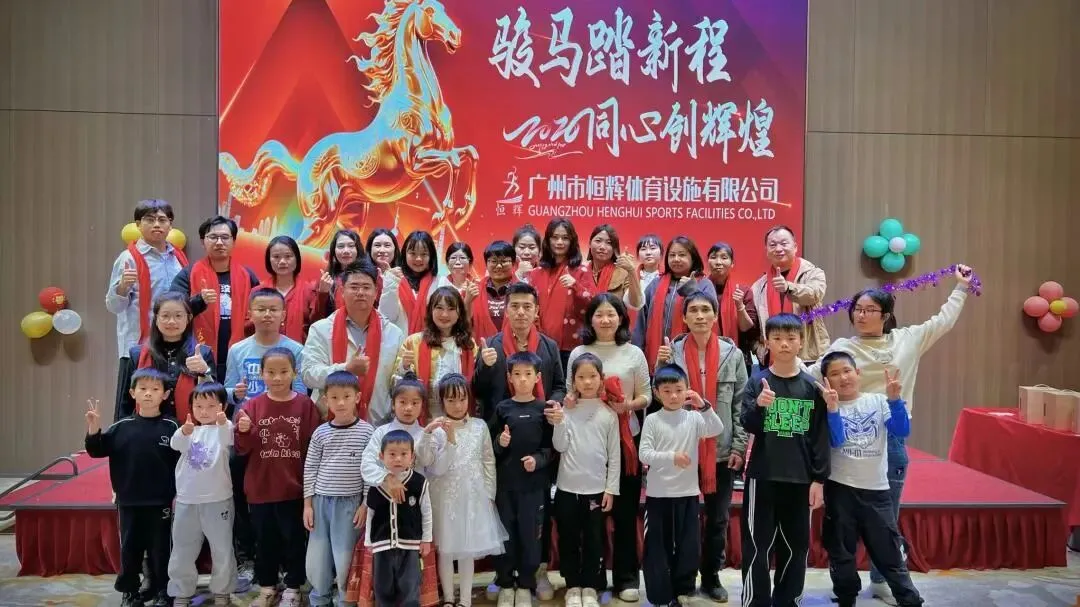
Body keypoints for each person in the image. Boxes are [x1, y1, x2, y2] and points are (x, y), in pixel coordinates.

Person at [811, 264, 973, 604]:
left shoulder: (907, 339)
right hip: (846, 435)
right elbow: (811, 374)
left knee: (885, 515)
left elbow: (942, 321)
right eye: (857, 309)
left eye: (870, 309)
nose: (861, 315)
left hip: (891, 434)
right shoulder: (843, 347)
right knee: (843, 518)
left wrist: (960, 288)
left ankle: (881, 579)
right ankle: (846, 585)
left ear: (885, 315)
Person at [654, 290, 748, 602]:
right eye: (693, 310)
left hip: (720, 451)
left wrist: (738, 447)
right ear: (684, 317)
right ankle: (681, 579)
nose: (699, 316)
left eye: (706, 310)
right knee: (682, 521)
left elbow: (741, 405)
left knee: (718, 520)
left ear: (716, 315)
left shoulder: (733, 355)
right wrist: (660, 364)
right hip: (683, 451)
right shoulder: (673, 352)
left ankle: (711, 577)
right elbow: (659, 395)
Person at [819, 353, 924, 607]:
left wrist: (895, 400)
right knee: (841, 553)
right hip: (840, 489)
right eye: (835, 374)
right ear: (826, 380)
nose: (843, 378)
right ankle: (846, 598)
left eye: (847, 371)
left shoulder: (877, 401)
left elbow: (901, 430)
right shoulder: (826, 408)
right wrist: (832, 410)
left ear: (858, 373)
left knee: (889, 552)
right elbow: (837, 441)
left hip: (877, 491)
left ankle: (909, 600)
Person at [565, 293, 651, 602]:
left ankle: (626, 578)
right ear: (590, 319)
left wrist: (626, 406)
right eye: (599, 314)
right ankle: (595, 576)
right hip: (587, 443)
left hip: (626, 440)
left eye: (611, 314)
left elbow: (647, 395)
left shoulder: (634, 353)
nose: (605, 320)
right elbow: (570, 393)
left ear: (621, 318)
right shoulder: (579, 352)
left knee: (625, 512)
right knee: (592, 516)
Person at [740, 314, 830, 607]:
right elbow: (748, 423)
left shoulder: (812, 387)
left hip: (800, 479)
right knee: (757, 547)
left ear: (801, 342)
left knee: (796, 547)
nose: (784, 344)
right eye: (777, 338)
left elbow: (820, 436)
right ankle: (755, 601)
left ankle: (788, 600)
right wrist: (760, 407)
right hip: (762, 477)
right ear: (767, 342)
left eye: (791, 338)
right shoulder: (757, 382)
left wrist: (819, 479)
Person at [85, 370, 180, 607]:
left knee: (161, 550)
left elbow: (182, 463)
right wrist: (94, 428)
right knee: (129, 550)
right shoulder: (120, 427)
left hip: (161, 502)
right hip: (129, 501)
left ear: (165, 394)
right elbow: (96, 450)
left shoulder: (172, 427)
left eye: (155, 389)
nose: (148, 394)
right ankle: (129, 592)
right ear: (132, 393)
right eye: (143, 389)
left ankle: (163, 591)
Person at [234, 348, 321, 607]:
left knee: (294, 541)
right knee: (265, 542)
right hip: (260, 488)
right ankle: (267, 587)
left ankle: (293, 588)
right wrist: (244, 431)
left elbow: (314, 446)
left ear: (295, 373)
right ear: (261, 374)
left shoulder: (305, 406)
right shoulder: (251, 406)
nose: (277, 377)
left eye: (284, 371)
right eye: (271, 372)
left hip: (294, 489)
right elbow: (242, 449)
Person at [346, 373, 440, 607]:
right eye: (402, 402)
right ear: (393, 404)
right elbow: (367, 464)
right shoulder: (381, 432)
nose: (408, 408)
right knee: (384, 583)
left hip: (412, 514)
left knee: (411, 582)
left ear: (422, 405)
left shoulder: (425, 433)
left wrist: (429, 436)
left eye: (415, 403)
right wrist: (387, 478)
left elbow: (430, 464)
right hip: (383, 518)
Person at [417, 374, 506, 607]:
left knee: (468, 549)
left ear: (469, 399)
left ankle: (465, 599)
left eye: (462, 399)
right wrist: (430, 435)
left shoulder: (479, 426)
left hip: (473, 496)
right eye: (451, 400)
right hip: (443, 497)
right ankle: (448, 598)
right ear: (442, 401)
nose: (457, 405)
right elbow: (429, 464)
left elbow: (488, 460)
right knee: (445, 549)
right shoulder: (436, 429)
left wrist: (489, 493)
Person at [638, 364, 724, 607]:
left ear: (687, 389)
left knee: (688, 546)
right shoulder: (653, 420)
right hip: (658, 495)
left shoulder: (694, 418)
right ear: (657, 393)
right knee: (658, 547)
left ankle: (684, 589)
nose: (674, 396)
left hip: (688, 494)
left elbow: (717, 428)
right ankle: (660, 595)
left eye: (678, 390)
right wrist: (671, 457)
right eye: (667, 391)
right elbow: (644, 454)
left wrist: (703, 405)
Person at [549, 354, 620, 607]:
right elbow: (560, 446)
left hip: (596, 490)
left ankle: (589, 586)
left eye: (592, 376)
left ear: (601, 378)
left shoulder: (609, 414)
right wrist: (559, 422)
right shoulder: (566, 410)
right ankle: (572, 586)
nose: (587, 382)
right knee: (568, 538)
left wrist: (611, 489)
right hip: (567, 488)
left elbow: (614, 455)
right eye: (581, 377)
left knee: (593, 539)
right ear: (573, 380)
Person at [106, 199, 188, 415]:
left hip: (173, 346)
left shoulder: (178, 257)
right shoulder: (128, 258)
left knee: (170, 407)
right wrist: (123, 286)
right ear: (138, 225)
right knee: (131, 409)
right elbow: (113, 306)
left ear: (170, 224)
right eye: (150, 220)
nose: (157, 225)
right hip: (138, 346)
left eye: (162, 220)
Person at [303, 370, 375, 607]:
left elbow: (370, 472)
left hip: (350, 505)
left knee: (345, 557)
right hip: (320, 503)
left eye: (346, 396)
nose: (341, 402)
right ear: (326, 400)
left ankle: (346, 599)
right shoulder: (320, 432)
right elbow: (310, 468)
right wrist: (308, 505)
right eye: (334, 397)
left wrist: (365, 504)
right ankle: (319, 598)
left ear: (357, 397)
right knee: (318, 557)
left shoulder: (367, 432)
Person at [490, 352, 555, 607]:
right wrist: (501, 442)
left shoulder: (544, 409)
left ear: (537, 377)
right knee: (506, 535)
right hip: (506, 486)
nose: (523, 379)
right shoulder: (502, 408)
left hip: (534, 487)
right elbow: (490, 448)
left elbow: (551, 449)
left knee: (531, 536)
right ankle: (506, 583)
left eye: (528, 374)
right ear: (509, 377)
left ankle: (526, 583)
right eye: (517, 374)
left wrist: (537, 461)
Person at [304, 260, 405, 422]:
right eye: (354, 287)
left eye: (366, 287)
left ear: (376, 292)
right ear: (342, 291)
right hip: (330, 424)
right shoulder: (320, 329)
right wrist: (346, 369)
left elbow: (397, 384)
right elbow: (308, 375)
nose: (360, 292)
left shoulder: (394, 333)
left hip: (378, 425)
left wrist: (406, 370)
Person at [167, 382, 236, 607]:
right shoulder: (188, 430)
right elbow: (175, 444)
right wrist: (183, 431)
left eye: (211, 406)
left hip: (218, 500)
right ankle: (181, 592)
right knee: (182, 548)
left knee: (222, 548)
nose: (204, 411)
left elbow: (228, 438)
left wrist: (223, 421)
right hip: (186, 500)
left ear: (223, 406)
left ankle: (222, 591)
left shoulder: (225, 428)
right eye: (198, 406)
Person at [171, 216, 260, 380]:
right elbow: (173, 310)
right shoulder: (188, 274)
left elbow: (259, 309)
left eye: (225, 237)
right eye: (213, 237)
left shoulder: (247, 276)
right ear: (202, 241)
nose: (219, 242)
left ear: (233, 241)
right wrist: (199, 300)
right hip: (197, 353)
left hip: (240, 350)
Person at [473, 283, 566, 422]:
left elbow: (559, 387)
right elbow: (477, 391)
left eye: (527, 307)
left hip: (540, 422)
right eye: (515, 306)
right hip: (500, 425)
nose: (521, 312)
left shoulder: (550, 346)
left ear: (536, 311)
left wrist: (554, 405)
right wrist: (485, 366)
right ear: (506, 310)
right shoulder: (490, 346)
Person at [116, 292, 215, 422]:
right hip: (146, 428)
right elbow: (125, 403)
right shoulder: (137, 354)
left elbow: (216, 399)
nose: (171, 321)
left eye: (178, 316)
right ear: (156, 319)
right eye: (165, 316)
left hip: (190, 430)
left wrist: (205, 371)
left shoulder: (203, 353)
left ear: (189, 318)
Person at [364, 430, 433, 607]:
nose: (398, 459)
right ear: (381, 456)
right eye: (392, 454)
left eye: (404, 454)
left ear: (412, 457)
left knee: (410, 587)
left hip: (410, 545)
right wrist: (368, 542)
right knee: (382, 588)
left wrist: (426, 539)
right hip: (381, 545)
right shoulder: (376, 485)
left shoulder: (419, 483)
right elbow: (370, 514)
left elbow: (426, 512)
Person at [633, 236, 716, 372]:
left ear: (693, 257)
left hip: (691, 356)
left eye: (682, 255)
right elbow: (641, 322)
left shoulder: (704, 284)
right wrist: (637, 352)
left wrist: (692, 290)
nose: (676, 259)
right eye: (672, 255)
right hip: (656, 356)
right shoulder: (656, 283)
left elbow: (709, 319)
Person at [394, 286, 477, 420]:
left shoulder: (468, 345)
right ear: (430, 310)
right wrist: (404, 366)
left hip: (459, 419)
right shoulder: (414, 342)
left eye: (451, 309)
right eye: (439, 308)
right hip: (424, 420)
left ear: (459, 313)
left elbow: (476, 386)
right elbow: (397, 388)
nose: (444, 314)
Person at [748, 226, 829, 365]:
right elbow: (753, 326)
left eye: (784, 243)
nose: (778, 249)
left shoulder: (812, 273)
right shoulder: (758, 286)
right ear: (767, 251)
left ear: (795, 247)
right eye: (773, 245)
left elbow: (814, 294)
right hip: (771, 359)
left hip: (808, 357)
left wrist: (788, 288)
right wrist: (759, 350)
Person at [526, 218, 597, 368]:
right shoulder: (535, 273)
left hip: (571, 346)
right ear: (548, 240)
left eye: (565, 238)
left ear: (572, 241)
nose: (559, 242)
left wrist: (576, 286)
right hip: (539, 342)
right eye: (555, 237)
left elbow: (594, 306)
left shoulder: (582, 271)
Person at [224, 288, 307, 405]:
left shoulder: (296, 350)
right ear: (250, 315)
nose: (267, 314)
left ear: (283, 315)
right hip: (246, 414)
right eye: (261, 309)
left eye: (273, 310)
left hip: (283, 412)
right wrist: (235, 393)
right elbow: (227, 391)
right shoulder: (236, 350)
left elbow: (301, 391)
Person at [380, 230, 450, 335]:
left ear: (431, 256)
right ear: (404, 253)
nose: (418, 259)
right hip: (400, 343)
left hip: (432, 342)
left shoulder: (441, 282)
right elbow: (387, 316)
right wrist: (391, 283)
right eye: (412, 253)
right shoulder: (393, 279)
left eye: (424, 254)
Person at [705, 242, 758, 375]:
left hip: (738, 356)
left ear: (732, 263)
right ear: (708, 261)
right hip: (704, 354)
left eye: (724, 257)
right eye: (713, 257)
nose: (718, 262)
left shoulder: (743, 291)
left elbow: (746, 327)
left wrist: (739, 306)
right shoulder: (700, 289)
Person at [262, 235, 324, 342]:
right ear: (269, 260)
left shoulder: (309, 291)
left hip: (300, 350)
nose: (282, 261)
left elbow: (317, 325)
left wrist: (323, 294)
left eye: (288, 256)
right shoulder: (259, 291)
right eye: (276, 257)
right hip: (264, 349)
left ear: (297, 258)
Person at [585, 224, 643, 308]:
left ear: (614, 249)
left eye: (609, 243)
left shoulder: (623, 273)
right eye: (598, 241)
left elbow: (636, 304)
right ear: (589, 244)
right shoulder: (581, 271)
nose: (602, 247)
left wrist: (631, 270)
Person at [470, 240, 517, 342]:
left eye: (504, 261)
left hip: (515, 348)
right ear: (486, 263)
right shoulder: (473, 290)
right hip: (482, 348)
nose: (499, 266)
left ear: (513, 263)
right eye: (493, 261)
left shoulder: (524, 291)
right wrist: (467, 301)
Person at [320, 229, 365, 317]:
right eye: (341, 246)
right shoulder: (327, 279)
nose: (346, 251)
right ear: (334, 251)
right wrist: (322, 293)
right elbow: (317, 317)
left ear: (358, 249)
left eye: (351, 246)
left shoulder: (369, 276)